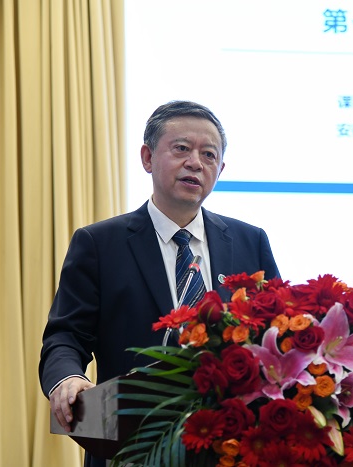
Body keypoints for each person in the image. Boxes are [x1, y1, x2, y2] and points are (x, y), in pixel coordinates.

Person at [38, 100, 280, 466]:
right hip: (133, 446)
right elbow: (66, 336)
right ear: (147, 158)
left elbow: (276, 333)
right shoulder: (100, 244)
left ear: (220, 169)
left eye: (209, 154)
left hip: (230, 447)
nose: (195, 163)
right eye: (181, 148)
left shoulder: (250, 241)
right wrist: (68, 379)